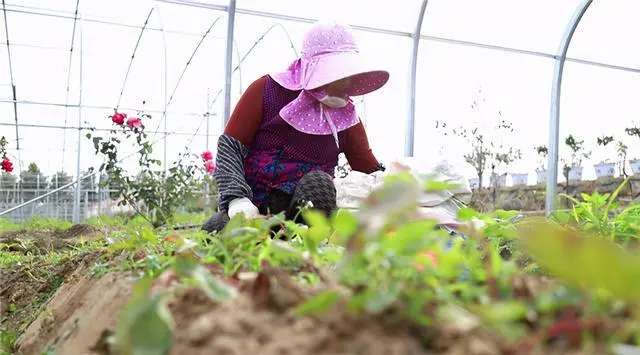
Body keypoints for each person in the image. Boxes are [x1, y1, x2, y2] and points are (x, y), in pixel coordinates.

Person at [202, 21, 389, 234]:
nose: (343, 83)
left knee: (320, 183)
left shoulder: (345, 116)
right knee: (216, 230)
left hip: (306, 215)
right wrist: (237, 198)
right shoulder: (267, 91)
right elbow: (230, 148)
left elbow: (369, 168)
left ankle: (301, 242)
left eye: (347, 76)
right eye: (337, 74)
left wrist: (403, 195)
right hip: (253, 210)